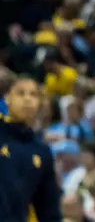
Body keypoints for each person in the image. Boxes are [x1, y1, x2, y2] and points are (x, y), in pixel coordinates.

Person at [0, 71, 61, 222]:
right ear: (7, 98)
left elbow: (49, 211)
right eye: (20, 93)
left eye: (33, 95)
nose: (27, 99)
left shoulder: (42, 152)